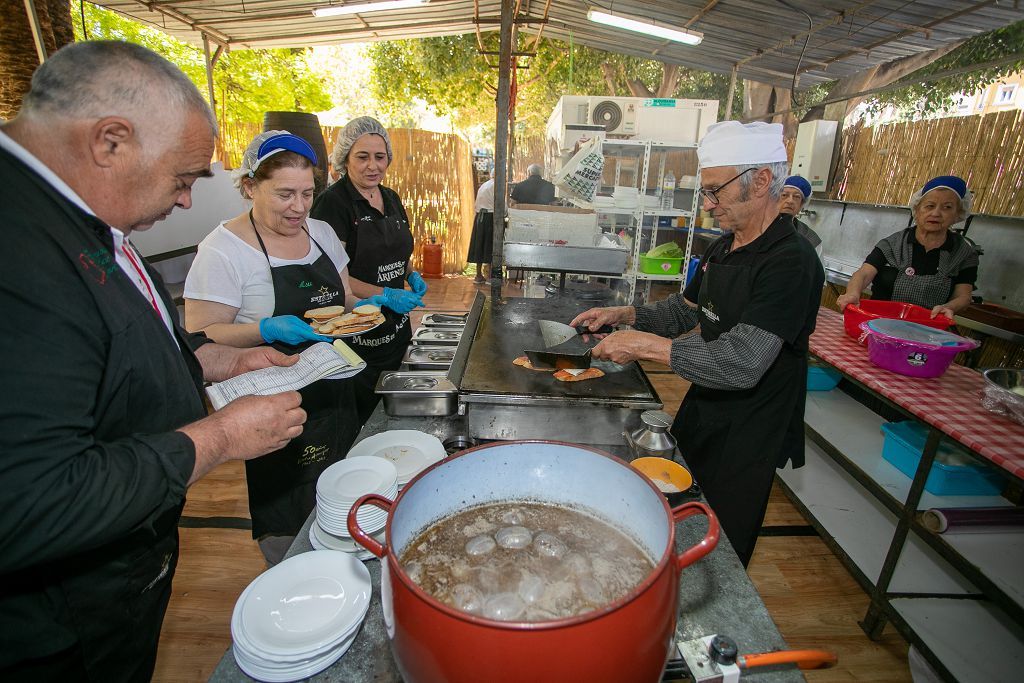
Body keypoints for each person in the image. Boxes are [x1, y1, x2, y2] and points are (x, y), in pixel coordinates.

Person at [0, 41, 306, 680]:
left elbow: (119, 348)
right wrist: (220, 436)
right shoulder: (18, 251)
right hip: (54, 631)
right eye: (183, 177)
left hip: (115, 589)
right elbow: (30, 500)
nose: (188, 201)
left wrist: (216, 362)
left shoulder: (79, 222)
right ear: (111, 141)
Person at [571, 121, 824, 567]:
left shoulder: (791, 262)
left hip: (754, 419)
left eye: (714, 191)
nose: (707, 205)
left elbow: (743, 363)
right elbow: (684, 312)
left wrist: (645, 347)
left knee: (720, 534)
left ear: (761, 181)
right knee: (679, 499)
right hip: (706, 399)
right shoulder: (723, 248)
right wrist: (623, 316)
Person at [183, 131, 362, 564]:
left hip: (335, 388)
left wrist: (376, 303)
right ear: (249, 187)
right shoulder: (223, 251)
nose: (299, 207)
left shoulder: (319, 232)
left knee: (343, 494)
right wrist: (264, 327)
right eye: (285, 194)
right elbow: (201, 334)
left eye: (307, 193)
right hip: (271, 401)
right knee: (290, 514)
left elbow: (345, 299)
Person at [310, 116, 426, 423]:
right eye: (362, 157)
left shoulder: (391, 197)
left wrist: (409, 274)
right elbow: (335, 277)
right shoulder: (332, 205)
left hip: (397, 330)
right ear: (345, 158)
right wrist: (385, 294)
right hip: (356, 334)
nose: (372, 165)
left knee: (394, 409)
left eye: (380, 157)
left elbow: (397, 249)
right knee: (362, 417)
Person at [836, 175, 978, 319]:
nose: (936, 213)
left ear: (958, 214)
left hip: (927, 329)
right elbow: (864, 274)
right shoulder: (893, 244)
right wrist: (853, 293)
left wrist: (948, 308)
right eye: (930, 206)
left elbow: (963, 296)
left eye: (947, 207)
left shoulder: (964, 253)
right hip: (877, 323)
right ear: (917, 210)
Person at [779, 175, 823, 259]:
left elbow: (817, 271)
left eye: (796, 197)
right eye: (784, 195)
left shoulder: (810, 239)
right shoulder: (759, 229)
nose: (790, 201)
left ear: (801, 205)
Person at [467, 169, 495, 283]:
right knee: (490, 245)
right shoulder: (495, 186)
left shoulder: (485, 185)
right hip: (489, 217)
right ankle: (490, 276)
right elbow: (500, 204)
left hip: (479, 217)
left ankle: (478, 275)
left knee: (479, 244)